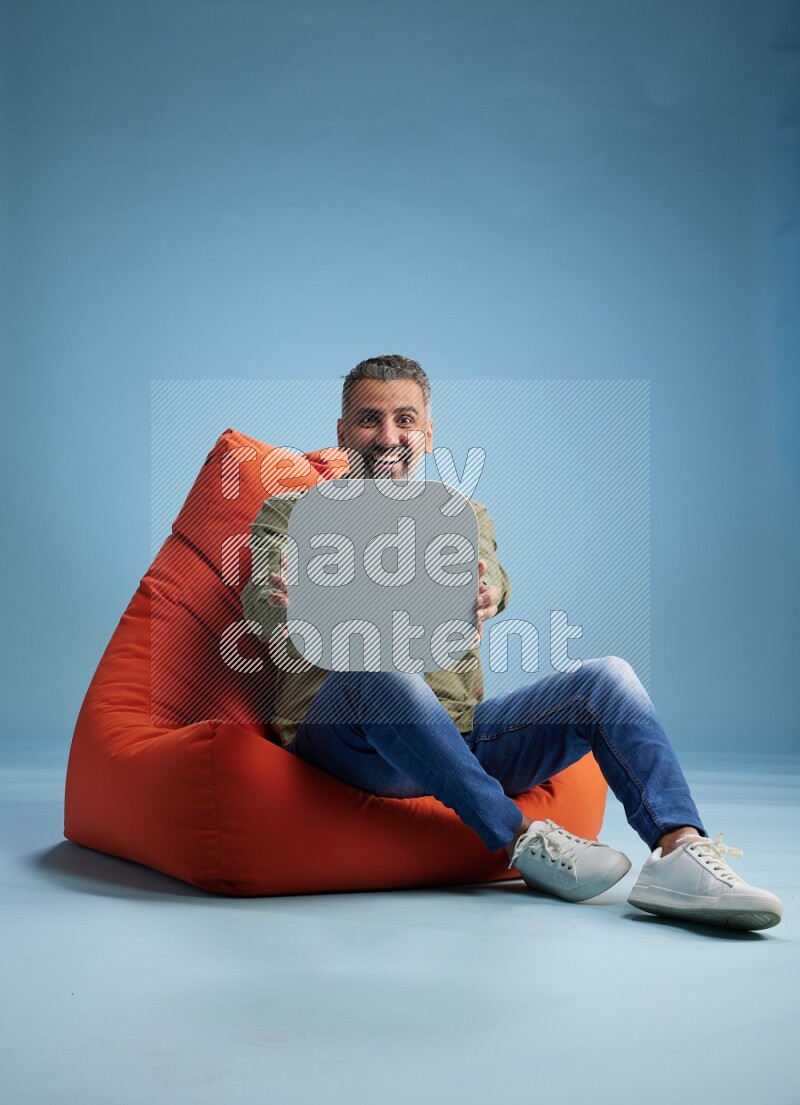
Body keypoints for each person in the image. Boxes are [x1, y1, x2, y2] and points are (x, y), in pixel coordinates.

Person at [241, 354, 784, 931]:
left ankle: (678, 853)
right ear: (343, 432)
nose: (388, 436)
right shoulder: (292, 511)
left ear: (428, 432)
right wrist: (283, 602)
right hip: (346, 743)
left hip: (460, 735)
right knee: (380, 668)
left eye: (405, 419)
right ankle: (521, 838)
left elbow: (492, 576)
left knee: (609, 679)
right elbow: (259, 598)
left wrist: (489, 592)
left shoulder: (461, 513)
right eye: (369, 421)